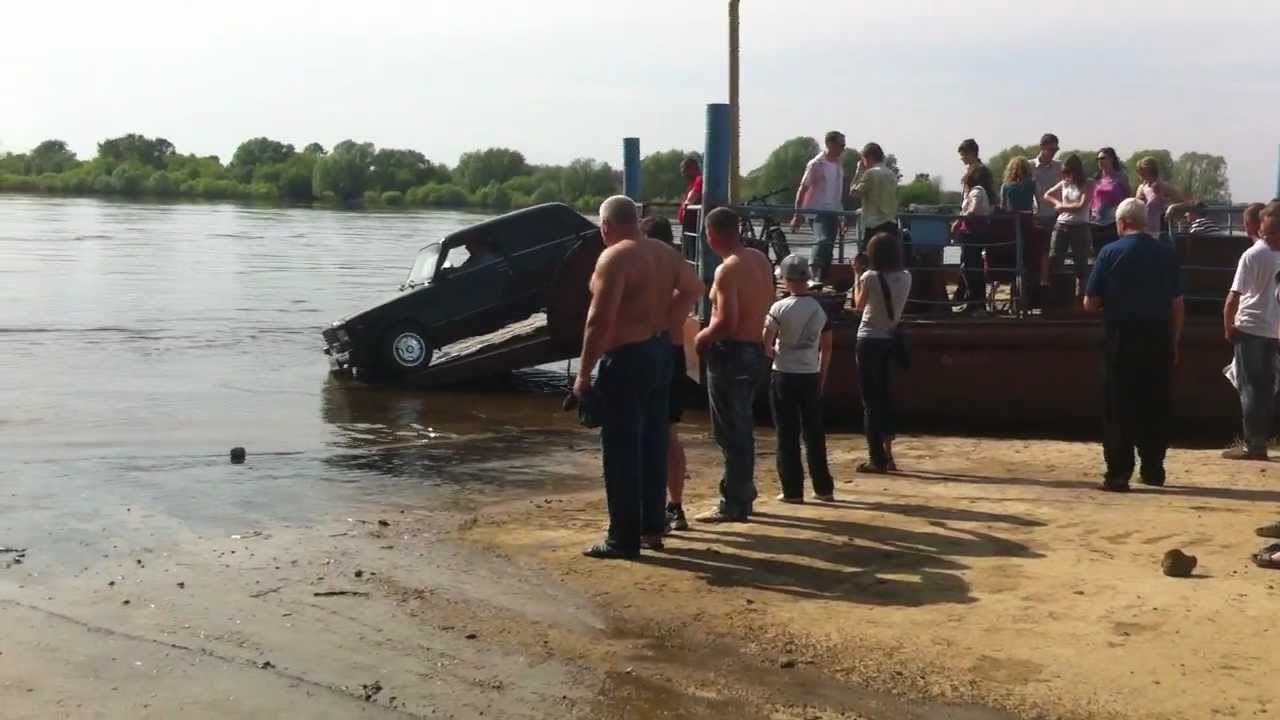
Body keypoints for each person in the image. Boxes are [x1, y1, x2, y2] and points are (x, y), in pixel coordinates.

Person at [574, 196, 703, 558]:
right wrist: (668, 320)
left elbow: (597, 321)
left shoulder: (614, 257)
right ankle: (651, 528)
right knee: (651, 445)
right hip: (660, 353)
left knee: (621, 451)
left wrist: (584, 374)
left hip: (626, 359)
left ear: (605, 226)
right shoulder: (663, 252)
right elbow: (694, 287)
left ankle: (622, 539)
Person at [1083, 198, 1184, 491]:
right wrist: (1174, 341)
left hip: (1121, 338)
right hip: (1158, 337)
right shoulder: (1167, 254)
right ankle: (1153, 469)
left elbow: (1090, 302)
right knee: (1155, 404)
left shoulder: (1109, 253)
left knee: (1119, 406)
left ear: (1121, 222)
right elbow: (1177, 304)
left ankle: (1118, 473)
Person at [694, 207, 776, 523]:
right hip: (755, 350)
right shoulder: (758, 259)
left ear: (712, 234)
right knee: (742, 427)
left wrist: (703, 336)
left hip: (732, 352)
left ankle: (735, 502)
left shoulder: (728, 270)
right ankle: (743, 495)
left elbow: (727, 322)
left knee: (731, 432)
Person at [640, 216, 698, 529]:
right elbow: (695, 290)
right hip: (674, 354)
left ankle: (654, 508)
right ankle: (674, 506)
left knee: (646, 435)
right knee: (669, 434)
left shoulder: (650, 268)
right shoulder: (680, 267)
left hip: (654, 351)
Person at [763, 255, 835, 503]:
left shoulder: (778, 308)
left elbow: (767, 343)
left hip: (783, 374)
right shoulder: (819, 309)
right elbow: (827, 347)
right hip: (809, 376)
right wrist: (821, 375)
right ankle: (823, 488)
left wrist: (773, 353)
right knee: (814, 433)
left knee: (787, 433)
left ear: (786, 279)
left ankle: (793, 490)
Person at [1221, 201, 1280, 460]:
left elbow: (1234, 296)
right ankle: (1263, 438)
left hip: (1250, 326)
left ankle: (1253, 444)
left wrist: (1228, 325)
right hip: (1273, 328)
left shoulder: (1252, 255)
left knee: (1249, 387)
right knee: (1267, 386)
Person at [855, 232, 911, 473]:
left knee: (870, 401)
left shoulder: (869, 277)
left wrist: (856, 274)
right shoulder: (907, 277)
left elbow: (858, 305)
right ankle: (888, 455)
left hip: (868, 339)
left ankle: (875, 458)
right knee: (887, 397)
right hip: (890, 340)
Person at [790, 131, 846, 282]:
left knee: (829, 246)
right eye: (841, 145)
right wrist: (797, 214)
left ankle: (823, 278)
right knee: (823, 239)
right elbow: (803, 188)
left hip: (833, 210)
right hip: (816, 210)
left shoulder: (838, 165)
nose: (843, 149)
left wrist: (842, 216)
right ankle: (812, 272)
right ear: (830, 144)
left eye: (844, 146)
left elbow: (837, 192)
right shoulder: (816, 164)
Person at [1042, 154, 1092, 295]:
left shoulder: (1087, 183)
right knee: (1055, 259)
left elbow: (1081, 205)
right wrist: (1057, 203)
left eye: (1069, 172)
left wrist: (1063, 207)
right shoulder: (1064, 183)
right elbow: (1047, 194)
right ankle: (1058, 295)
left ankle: (1081, 295)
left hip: (1080, 226)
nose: (1066, 175)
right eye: (1064, 172)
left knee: (1081, 263)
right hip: (1061, 225)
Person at [954, 165, 993, 312]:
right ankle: (974, 302)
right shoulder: (979, 191)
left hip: (972, 234)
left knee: (971, 268)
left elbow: (973, 209)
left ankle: (975, 303)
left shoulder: (977, 191)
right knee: (971, 268)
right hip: (973, 234)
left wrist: (961, 217)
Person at [849, 142, 898, 249]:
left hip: (875, 226)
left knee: (871, 262)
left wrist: (858, 171)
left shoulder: (871, 173)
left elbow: (853, 192)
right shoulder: (891, 174)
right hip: (891, 225)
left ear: (868, 157)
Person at [1090, 148, 1130, 253]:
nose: (1100, 161)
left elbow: (1128, 197)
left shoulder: (1121, 177)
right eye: (1098, 159)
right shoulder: (1096, 178)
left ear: (1112, 159)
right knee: (1098, 253)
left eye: (1103, 158)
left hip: (1113, 222)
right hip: (1096, 222)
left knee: (1114, 252)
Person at [1134, 157, 1183, 239]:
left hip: (1161, 231)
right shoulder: (1141, 188)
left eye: (1141, 170)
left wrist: (1172, 207)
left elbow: (1185, 203)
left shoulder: (1164, 187)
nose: (1139, 173)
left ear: (1150, 170)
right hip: (1143, 231)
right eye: (1138, 170)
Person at [677, 157, 703, 259]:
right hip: (689, 227)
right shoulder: (692, 184)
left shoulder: (699, 180)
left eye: (685, 169)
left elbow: (690, 200)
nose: (682, 173)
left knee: (692, 256)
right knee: (689, 255)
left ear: (694, 168)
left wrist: (685, 204)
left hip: (694, 226)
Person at [957, 138, 995, 207]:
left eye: (963, 155)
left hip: (977, 213)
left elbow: (985, 194)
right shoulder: (972, 170)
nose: (961, 158)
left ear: (971, 153)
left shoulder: (981, 171)